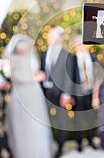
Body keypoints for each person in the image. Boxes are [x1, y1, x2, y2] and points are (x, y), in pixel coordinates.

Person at [3, 34, 53, 158]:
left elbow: (40, 73)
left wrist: (38, 77)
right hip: (20, 93)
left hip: (34, 93)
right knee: (21, 122)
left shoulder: (33, 57)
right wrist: (34, 78)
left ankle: (40, 152)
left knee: (36, 122)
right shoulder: (12, 59)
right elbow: (14, 78)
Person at [40, 26, 77, 158]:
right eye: (49, 36)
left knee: (62, 121)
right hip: (44, 93)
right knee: (45, 120)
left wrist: (66, 94)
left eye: (54, 36)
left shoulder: (67, 55)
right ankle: (47, 145)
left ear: (60, 38)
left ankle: (60, 148)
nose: (51, 39)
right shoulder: (43, 53)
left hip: (60, 94)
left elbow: (69, 76)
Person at [73, 35, 97, 152]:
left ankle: (90, 139)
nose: (82, 46)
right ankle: (79, 142)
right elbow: (70, 78)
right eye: (80, 44)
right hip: (78, 94)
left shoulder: (93, 57)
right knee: (78, 119)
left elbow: (97, 75)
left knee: (91, 118)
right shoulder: (71, 59)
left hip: (90, 92)